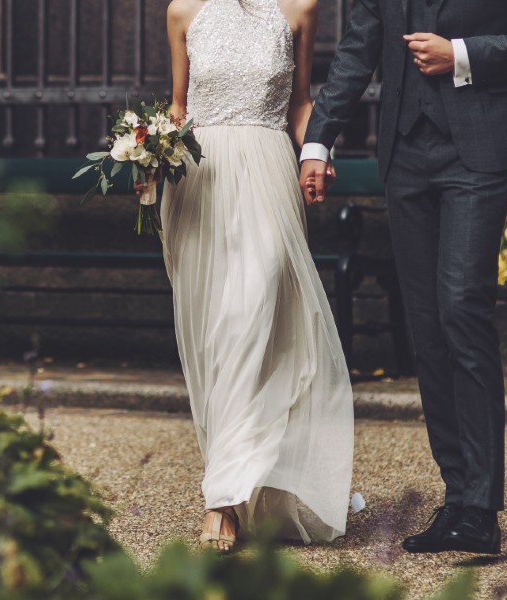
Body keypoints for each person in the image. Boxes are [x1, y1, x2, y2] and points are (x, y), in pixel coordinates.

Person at [299, 0, 507, 554]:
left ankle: (481, 509)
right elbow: (356, 51)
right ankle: (457, 496)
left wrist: (462, 55)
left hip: (478, 150)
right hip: (406, 156)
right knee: (426, 327)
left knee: (462, 308)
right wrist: (317, 140)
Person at [153, 0, 354, 552]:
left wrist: (317, 151)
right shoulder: (182, 11)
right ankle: (235, 486)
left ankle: (222, 499)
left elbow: (301, 103)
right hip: (201, 180)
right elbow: (178, 108)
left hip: (267, 172)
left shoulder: (300, 8)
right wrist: (147, 157)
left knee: (254, 313)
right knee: (220, 329)